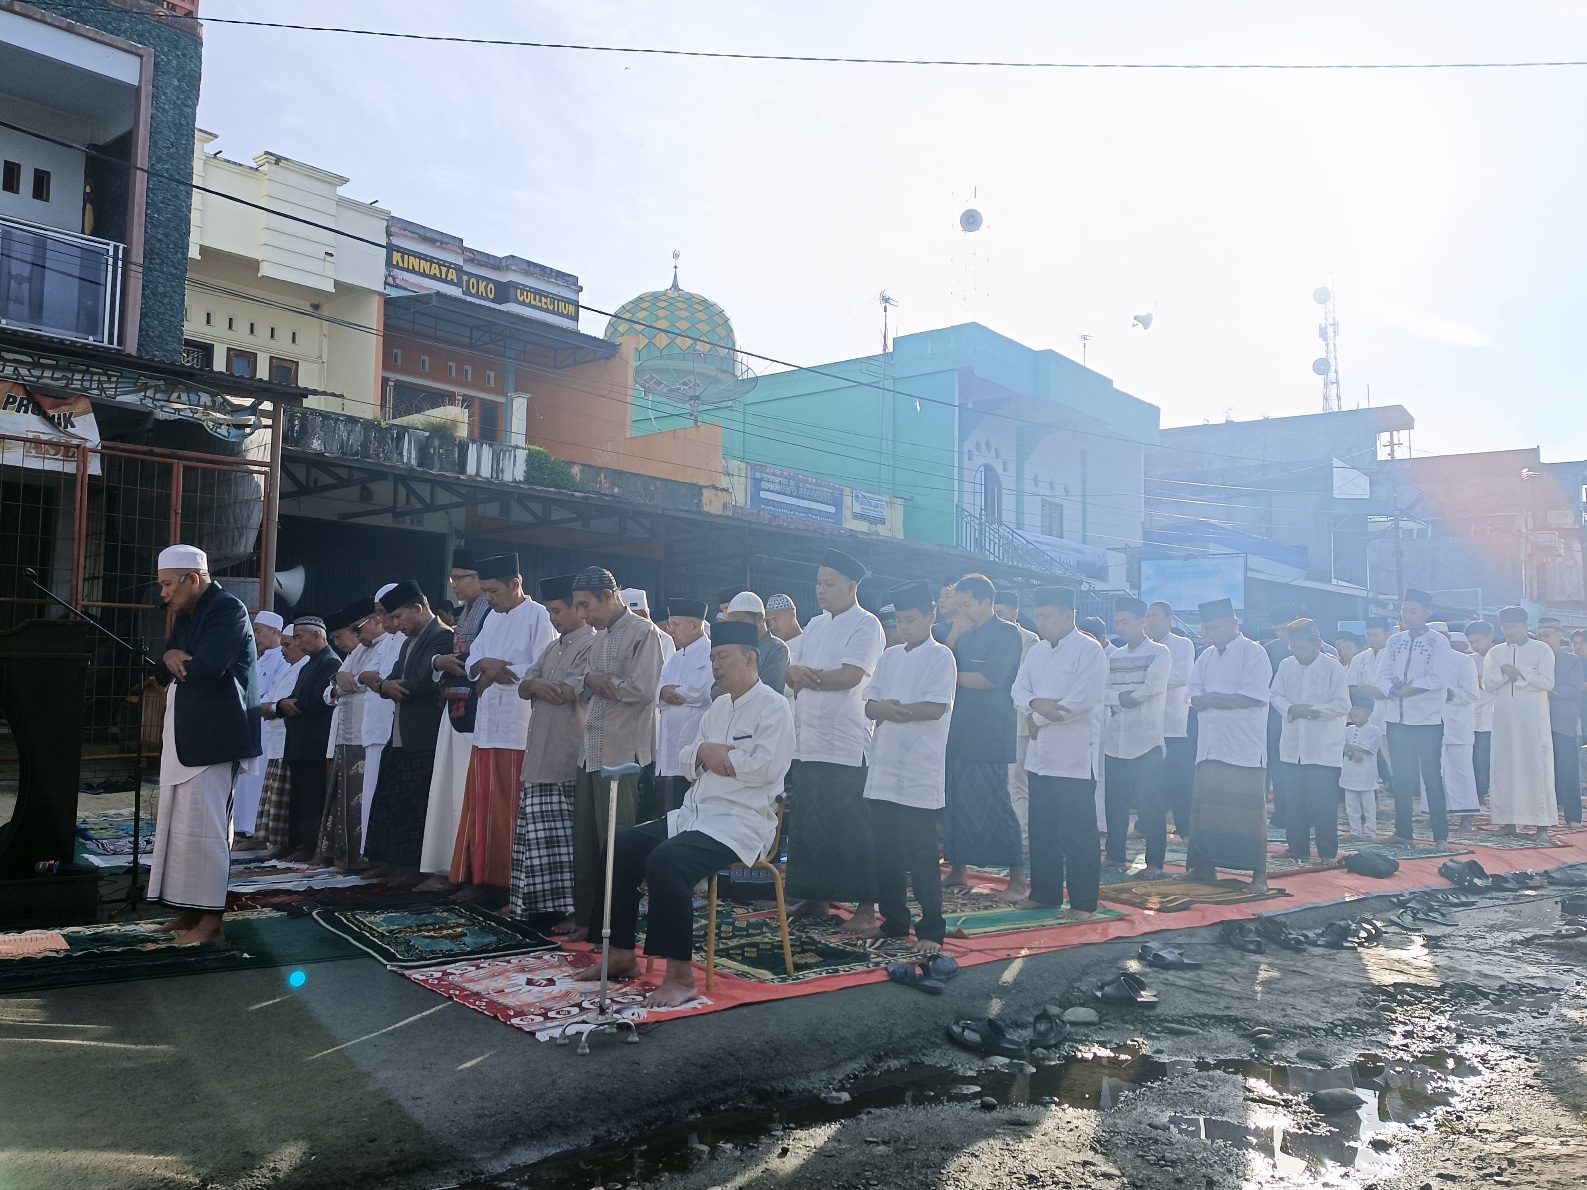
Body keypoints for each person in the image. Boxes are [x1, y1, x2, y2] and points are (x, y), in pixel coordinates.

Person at [580, 619, 793, 1007]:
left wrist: (717, 755)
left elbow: (767, 769)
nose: (715, 665)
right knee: (621, 845)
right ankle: (622, 954)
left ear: (750, 659)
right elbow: (685, 757)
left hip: (740, 822)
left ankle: (680, 977)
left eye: (722, 657)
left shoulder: (774, 707)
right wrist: (704, 753)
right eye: (712, 658)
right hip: (695, 815)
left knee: (667, 861)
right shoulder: (717, 708)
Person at [146, 545, 261, 944]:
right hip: (187, 735)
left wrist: (177, 657)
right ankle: (189, 912)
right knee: (182, 828)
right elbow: (164, 665)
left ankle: (212, 924)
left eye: (166, 585)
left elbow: (210, 666)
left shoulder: (228, 610)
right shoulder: (187, 613)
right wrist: (175, 653)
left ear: (191, 579)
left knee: (209, 832)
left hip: (215, 737)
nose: (163, 594)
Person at [783, 548, 886, 927]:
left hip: (845, 739)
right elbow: (792, 672)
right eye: (818, 583)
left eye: (829, 584)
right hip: (809, 738)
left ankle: (865, 908)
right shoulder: (815, 624)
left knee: (851, 823)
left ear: (851, 586)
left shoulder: (866, 623)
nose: (821, 590)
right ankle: (815, 897)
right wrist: (795, 674)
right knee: (810, 821)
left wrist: (809, 678)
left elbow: (852, 675)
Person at [447, 554, 555, 902]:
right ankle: (480, 878)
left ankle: (508, 885)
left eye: (494, 591)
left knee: (510, 809)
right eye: (485, 592)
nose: (489, 599)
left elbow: (543, 668)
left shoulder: (539, 617)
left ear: (515, 584)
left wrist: (496, 670)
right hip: (488, 727)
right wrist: (485, 665)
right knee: (482, 806)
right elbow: (474, 661)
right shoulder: (491, 618)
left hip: (518, 729)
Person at [855, 580, 957, 951]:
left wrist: (893, 711)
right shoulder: (890, 656)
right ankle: (895, 921)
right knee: (886, 851)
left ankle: (931, 929)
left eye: (912, 618)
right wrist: (884, 709)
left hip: (918, 768)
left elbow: (935, 708)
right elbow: (869, 705)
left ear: (930, 616)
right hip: (884, 766)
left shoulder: (941, 656)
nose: (905, 626)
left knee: (922, 854)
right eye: (900, 620)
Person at [570, 567, 665, 933]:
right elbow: (582, 682)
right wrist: (592, 681)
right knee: (586, 843)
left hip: (622, 754)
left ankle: (615, 928)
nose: (582, 615)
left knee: (617, 842)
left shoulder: (645, 634)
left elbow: (643, 690)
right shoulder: (597, 637)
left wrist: (597, 681)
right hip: (590, 750)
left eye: (586, 605)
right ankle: (587, 922)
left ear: (609, 597)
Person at [1012, 586, 1109, 917]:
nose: (1041, 622)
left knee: (1079, 833)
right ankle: (1046, 893)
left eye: (1047, 616)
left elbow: (1081, 701)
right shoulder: (1037, 651)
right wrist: (1037, 706)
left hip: (1074, 757)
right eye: (1037, 616)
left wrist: (1035, 716)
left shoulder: (1089, 650)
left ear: (1069, 616)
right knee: (1043, 828)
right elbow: (1018, 690)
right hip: (1040, 756)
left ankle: (1083, 903)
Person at [509, 575, 597, 931]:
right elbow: (525, 684)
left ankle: (573, 912)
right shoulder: (553, 647)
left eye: (557, 611)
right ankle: (531, 907)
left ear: (578, 609)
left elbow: (566, 692)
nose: (553, 619)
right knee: (534, 839)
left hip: (566, 756)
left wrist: (538, 686)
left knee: (567, 843)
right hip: (538, 757)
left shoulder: (591, 645)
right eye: (549, 612)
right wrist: (536, 685)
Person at [940, 574, 1028, 902]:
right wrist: (956, 632)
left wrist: (950, 677)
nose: (963, 611)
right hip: (958, 729)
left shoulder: (1007, 633)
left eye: (967, 605)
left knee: (996, 803)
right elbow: (940, 663)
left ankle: (1017, 878)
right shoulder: (962, 633)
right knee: (956, 803)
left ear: (987, 602)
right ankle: (958, 869)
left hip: (990, 731)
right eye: (958, 605)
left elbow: (990, 678)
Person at [362, 581, 455, 885]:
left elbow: (419, 682)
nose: (396, 625)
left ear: (418, 608)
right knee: (394, 802)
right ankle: (394, 862)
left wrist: (386, 686)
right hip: (401, 733)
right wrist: (383, 685)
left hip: (425, 736)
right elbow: (392, 678)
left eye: (399, 617)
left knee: (419, 806)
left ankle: (417, 868)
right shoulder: (408, 641)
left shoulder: (442, 637)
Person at [1185, 598, 1273, 892]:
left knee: (1246, 813)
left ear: (1235, 623)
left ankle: (1258, 875)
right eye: (1207, 628)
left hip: (1243, 746)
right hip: (1210, 745)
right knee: (1206, 808)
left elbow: (1253, 696)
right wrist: (1214, 699)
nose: (1212, 633)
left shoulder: (1254, 652)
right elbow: (1194, 697)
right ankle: (1205, 868)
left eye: (1217, 627)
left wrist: (1211, 699)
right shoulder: (1205, 656)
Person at [415, 550, 489, 892]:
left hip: (481, 714)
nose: (454, 584)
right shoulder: (467, 614)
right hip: (455, 708)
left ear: (479, 578)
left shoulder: (494, 612)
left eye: (459, 577)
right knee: (448, 789)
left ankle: (468, 872)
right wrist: (441, 661)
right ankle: (445, 866)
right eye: (452, 578)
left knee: (467, 792)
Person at [1376, 589, 1455, 844]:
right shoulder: (1394, 641)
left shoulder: (1438, 642)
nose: (1407, 615)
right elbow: (1382, 674)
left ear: (1426, 612)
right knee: (1401, 777)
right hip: (1397, 720)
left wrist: (1409, 689)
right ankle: (1403, 832)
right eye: (1404, 610)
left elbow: (1438, 678)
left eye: (1413, 610)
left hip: (1427, 721)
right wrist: (1393, 690)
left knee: (1431, 776)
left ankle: (1440, 836)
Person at [1100, 597, 1172, 873]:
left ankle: (1155, 862)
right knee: (1115, 803)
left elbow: (1153, 687)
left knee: (1150, 804)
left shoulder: (1160, 653)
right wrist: (1123, 697)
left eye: (1125, 622)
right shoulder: (1114, 656)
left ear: (1142, 622)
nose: (1120, 627)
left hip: (1146, 739)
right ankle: (1115, 855)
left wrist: (1120, 698)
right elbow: (1103, 691)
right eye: (1117, 622)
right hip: (1115, 739)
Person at [1268, 618, 1350, 860]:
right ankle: (1297, 848)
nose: (1297, 652)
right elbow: (1275, 695)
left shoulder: (1333, 667)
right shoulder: (1286, 665)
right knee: (1293, 801)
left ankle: (1327, 852)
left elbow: (1343, 705)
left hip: (1323, 746)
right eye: (1294, 647)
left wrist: (1312, 711)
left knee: (1323, 804)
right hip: (1293, 745)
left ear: (1317, 644)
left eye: (1302, 647)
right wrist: (1292, 709)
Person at [1484, 606, 1557, 841]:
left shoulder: (1541, 649)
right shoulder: (1495, 653)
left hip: (1532, 721)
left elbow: (1546, 681)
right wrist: (1505, 671)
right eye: (1506, 627)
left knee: (1536, 767)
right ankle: (1508, 821)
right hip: (1504, 719)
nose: (1510, 631)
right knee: (1504, 767)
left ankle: (1542, 826)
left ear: (1526, 626)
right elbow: (1487, 684)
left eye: (1515, 627)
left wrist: (1519, 674)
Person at [318, 599, 379, 868]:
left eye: (341, 635)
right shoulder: (354, 654)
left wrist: (341, 683)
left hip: (366, 736)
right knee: (342, 798)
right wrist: (338, 685)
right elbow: (329, 691)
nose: (342, 642)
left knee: (360, 799)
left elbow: (366, 683)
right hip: (345, 737)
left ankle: (361, 858)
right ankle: (344, 856)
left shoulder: (384, 646)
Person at [274, 616, 339, 862]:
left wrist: (285, 706)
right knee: (300, 797)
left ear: (318, 635)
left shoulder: (330, 662)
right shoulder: (310, 663)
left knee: (312, 797)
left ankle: (312, 845)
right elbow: (295, 696)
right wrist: (282, 704)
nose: (298, 643)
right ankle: (301, 842)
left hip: (314, 742)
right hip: (300, 741)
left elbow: (320, 701)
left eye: (300, 637)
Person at [355, 586, 404, 849]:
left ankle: (384, 855)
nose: (384, 621)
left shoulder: (406, 638)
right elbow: (363, 676)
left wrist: (373, 680)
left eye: (386, 614)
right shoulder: (385, 643)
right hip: (375, 727)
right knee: (372, 794)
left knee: (388, 796)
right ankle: (372, 854)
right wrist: (368, 678)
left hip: (394, 729)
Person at [654, 598, 713, 816]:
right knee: (665, 812)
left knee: (687, 811)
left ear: (696, 625)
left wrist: (670, 691)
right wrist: (664, 692)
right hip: (668, 746)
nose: (671, 630)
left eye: (676, 625)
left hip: (691, 739)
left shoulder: (709, 652)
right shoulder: (676, 657)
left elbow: (698, 692)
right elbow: (657, 690)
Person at [233, 610, 287, 845]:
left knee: (258, 781)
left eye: (259, 631)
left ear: (275, 631)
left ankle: (254, 831)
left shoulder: (283, 658)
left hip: (268, 729)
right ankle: (242, 828)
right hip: (252, 725)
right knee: (245, 781)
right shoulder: (258, 658)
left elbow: (276, 693)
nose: (256, 636)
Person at [1145, 601, 1196, 839]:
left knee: (1179, 782)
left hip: (1174, 725)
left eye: (1155, 615)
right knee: (1151, 783)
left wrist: (1149, 682)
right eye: (1147, 615)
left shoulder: (1182, 644)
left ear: (1169, 619)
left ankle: (1186, 831)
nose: (1150, 620)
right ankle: (1148, 829)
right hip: (1147, 725)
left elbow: (1181, 677)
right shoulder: (1142, 646)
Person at [253, 626, 305, 857]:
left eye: (288, 645)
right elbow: (272, 698)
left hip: (289, 740)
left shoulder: (304, 668)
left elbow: (288, 703)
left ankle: (286, 844)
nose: (283, 651)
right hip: (275, 739)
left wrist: (270, 706)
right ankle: (272, 841)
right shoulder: (291, 668)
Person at [995, 591, 1041, 853]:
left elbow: (1020, 680)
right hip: (994, 720)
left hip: (1018, 720)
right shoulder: (991, 637)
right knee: (999, 782)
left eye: (1001, 614)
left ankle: (1021, 839)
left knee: (1017, 781)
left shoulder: (1029, 640)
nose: (998, 618)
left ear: (1015, 613)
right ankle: (1004, 834)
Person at [1436, 626, 1482, 828]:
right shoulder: (1423, 661)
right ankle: (1436, 814)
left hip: (1458, 724)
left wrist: (1450, 695)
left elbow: (1472, 694)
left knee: (1461, 770)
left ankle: (1466, 816)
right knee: (1433, 771)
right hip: (1430, 723)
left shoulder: (1463, 660)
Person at [1539, 621, 1583, 828]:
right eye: (1539, 635)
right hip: (1538, 720)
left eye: (1547, 634)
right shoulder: (1535, 658)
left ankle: (1572, 816)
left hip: (1564, 721)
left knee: (1567, 768)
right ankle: (1542, 814)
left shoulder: (1571, 660)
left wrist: (1550, 691)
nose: (1543, 639)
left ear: (1559, 635)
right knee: (1540, 768)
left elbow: (1574, 687)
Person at [1349, 616, 1395, 790]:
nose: (1372, 638)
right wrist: (1371, 690)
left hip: (1389, 713)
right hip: (1366, 716)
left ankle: (1396, 785)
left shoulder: (1394, 656)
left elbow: (1386, 692)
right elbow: (1351, 687)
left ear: (1387, 634)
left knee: (1391, 755)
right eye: (1369, 635)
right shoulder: (1359, 658)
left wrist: (1365, 689)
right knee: (1368, 754)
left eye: (1376, 634)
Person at [725, 590, 791, 696]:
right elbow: (715, 691)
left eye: (739, 622)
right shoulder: (732, 648)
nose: (735, 628)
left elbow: (766, 691)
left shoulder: (778, 649)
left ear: (760, 618)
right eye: (732, 624)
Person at [1341, 698, 1384, 840]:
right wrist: (1354, 750)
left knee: (1369, 807)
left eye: (1358, 709)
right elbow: (1342, 746)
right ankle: (1355, 831)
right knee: (1351, 806)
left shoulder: (1374, 730)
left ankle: (1370, 832)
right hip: (1349, 773)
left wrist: (1352, 748)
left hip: (1366, 775)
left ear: (1368, 713)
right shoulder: (1348, 730)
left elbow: (1367, 749)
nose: (1354, 712)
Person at [1467, 621, 1497, 808]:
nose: (1475, 645)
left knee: (1489, 760)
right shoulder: (1469, 660)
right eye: (1472, 642)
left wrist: (1481, 681)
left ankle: (1492, 794)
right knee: (1476, 759)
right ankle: (1478, 794)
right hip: (1472, 717)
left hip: (1494, 718)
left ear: (1490, 638)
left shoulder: (1501, 656)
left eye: (1478, 641)